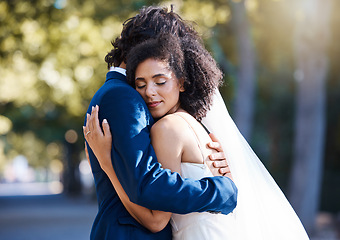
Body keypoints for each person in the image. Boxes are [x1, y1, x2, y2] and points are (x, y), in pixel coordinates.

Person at [85, 26, 310, 240]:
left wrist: (106, 163)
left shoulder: (167, 128)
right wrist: (226, 186)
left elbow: (156, 219)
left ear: (181, 83)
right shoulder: (198, 126)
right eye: (140, 84)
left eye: (160, 81)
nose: (149, 93)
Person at [83, 6, 237, 240]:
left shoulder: (133, 99)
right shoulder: (124, 97)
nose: (149, 92)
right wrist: (222, 190)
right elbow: (150, 185)